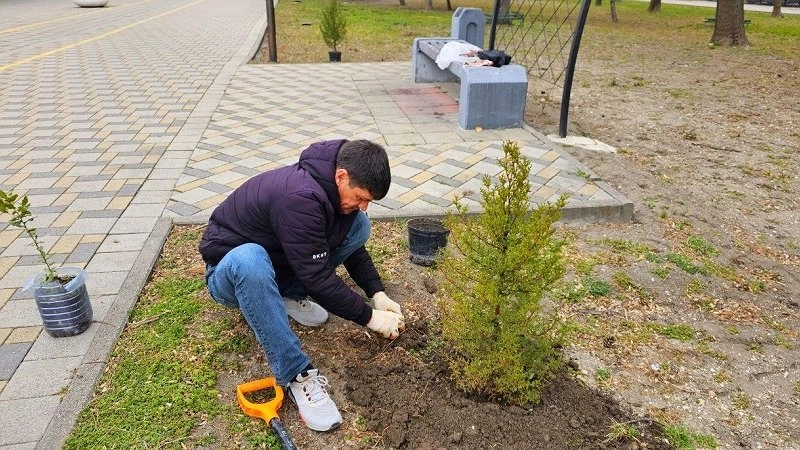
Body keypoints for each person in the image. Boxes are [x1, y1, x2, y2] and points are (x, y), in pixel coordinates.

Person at [198, 139, 405, 432]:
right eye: (360, 198)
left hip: (277, 260)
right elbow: (318, 278)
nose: (364, 206)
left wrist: (376, 292)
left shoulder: (333, 190)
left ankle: (286, 295)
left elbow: (346, 244)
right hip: (229, 271)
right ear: (342, 176)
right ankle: (297, 374)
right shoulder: (301, 197)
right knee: (250, 259)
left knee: (359, 225)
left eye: (369, 201)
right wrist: (370, 317)